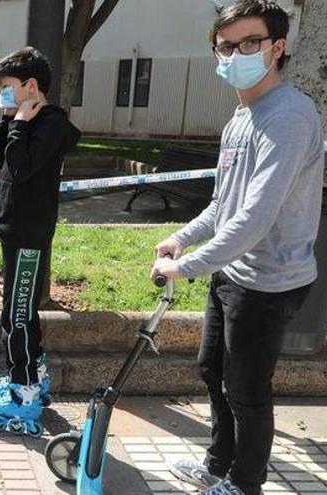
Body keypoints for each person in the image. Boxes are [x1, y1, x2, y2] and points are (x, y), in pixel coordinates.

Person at [150, 2, 324, 493]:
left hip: (270, 279)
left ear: (278, 47)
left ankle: (245, 483)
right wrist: (181, 238)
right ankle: (217, 464)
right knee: (213, 370)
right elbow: (225, 204)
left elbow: (255, 217)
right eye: (226, 46)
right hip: (233, 270)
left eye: (250, 42)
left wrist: (186, 267)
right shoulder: (242, 115)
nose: (236, 54)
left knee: (247, 390)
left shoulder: (288, 116)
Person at [0, 47, 80, 433]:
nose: (2, 94)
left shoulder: (50, 124)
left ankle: (25, 392)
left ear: (31, 86)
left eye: (7, 88)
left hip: (29, 235)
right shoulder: (24, 121)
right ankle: (31, 374)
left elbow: (19, 168)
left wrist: (19, 123)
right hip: (14, 232)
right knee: (19, 312)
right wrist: (10, 120)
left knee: (16, 315)